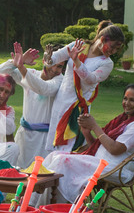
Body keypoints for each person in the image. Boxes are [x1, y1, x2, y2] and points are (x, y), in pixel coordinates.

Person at [30, 84, 134, 207]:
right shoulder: (122, 120)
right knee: (53, 155)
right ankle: (30, 204)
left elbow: (114, 149)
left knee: (62, 161)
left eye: (132, 100)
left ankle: (46, 208)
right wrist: (86, 131)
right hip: (99, 162)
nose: (126, 103)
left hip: (116, 170)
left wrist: (94, 126)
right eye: (125, 98)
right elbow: (98, 146)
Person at [43, 20, 125, 153]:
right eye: (113, 46)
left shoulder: (107, 63)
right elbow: (54, 58)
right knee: (54, 146)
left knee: (69, 149)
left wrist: (76, 60)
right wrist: (48, 58)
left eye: (117, 49)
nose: (114, 51)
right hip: (61, 103)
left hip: (78, 108)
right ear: (102, 39)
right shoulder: (81, 45)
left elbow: (90, 79)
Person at [0, 42, 65, 167]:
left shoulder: (60, 81)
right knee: (19, 175)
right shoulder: (32, 74)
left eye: (60, 66)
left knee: (40, 179)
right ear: (44, 60)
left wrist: (22, 68)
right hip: (24, 136)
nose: (55, 69)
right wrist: (16, 61)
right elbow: (0, 71)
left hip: (44, 140)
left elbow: (42, 88)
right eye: (52, 63)